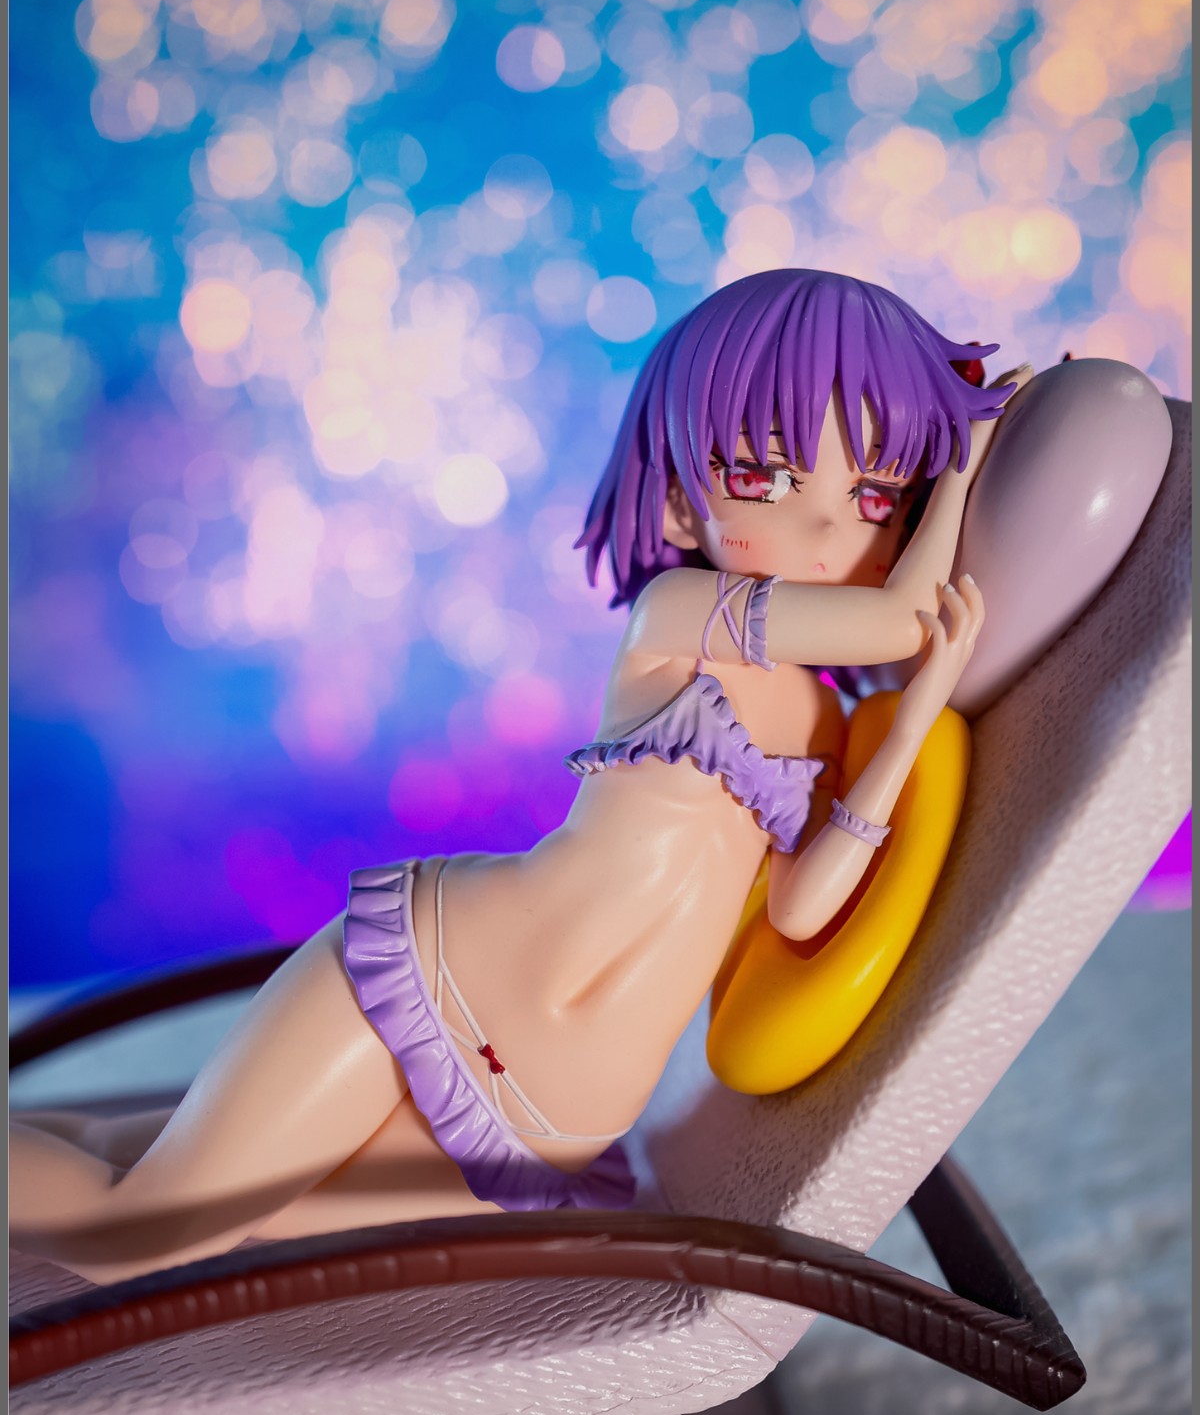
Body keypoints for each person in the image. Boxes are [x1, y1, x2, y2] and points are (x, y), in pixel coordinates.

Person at [10, 269, 1028, 1282]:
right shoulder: (680, 619)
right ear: (682, 505)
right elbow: (900, 620)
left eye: (875, 497)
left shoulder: (831, 725)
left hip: (546, 1125)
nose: (829, 534)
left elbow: (802, 909)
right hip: (433, 979)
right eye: (767, 480)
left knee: (185, 1197)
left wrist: (906, 731)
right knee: (141, 1235)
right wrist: (965, 462)